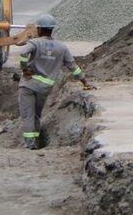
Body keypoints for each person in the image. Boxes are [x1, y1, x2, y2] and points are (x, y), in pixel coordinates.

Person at [17, 14, 91, 150]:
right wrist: (84, 82)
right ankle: (36, 142)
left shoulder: (35, 43)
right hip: (45, 87)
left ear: (39, 29)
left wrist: (24, 69)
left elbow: (22, 52)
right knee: (37, 116)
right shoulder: (61, 48)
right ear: (52, 29)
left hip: (28, 85)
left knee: (28, 116)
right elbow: (73, 67)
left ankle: (30, 145)